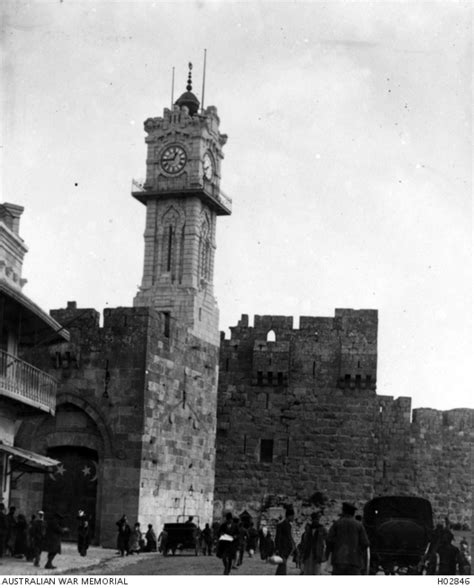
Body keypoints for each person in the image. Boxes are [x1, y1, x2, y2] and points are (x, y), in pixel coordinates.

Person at [326, 502, 369, 575]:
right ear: (353, 513)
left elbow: (329, 540)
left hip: (338, 561)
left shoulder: (337, 524)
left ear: (344, 511)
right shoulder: (359, 525)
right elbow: (365, 543)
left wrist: (333, 551)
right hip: (354, 562)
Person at [274, 507, 296, 575]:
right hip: (283, 548)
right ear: (289, 516)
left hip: (284, 548)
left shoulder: (284, 525)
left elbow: (288, 537)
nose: (293, 518)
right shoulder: (284, 525)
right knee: (282, 565)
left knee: (282, 565)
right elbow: (280, 537)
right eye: (292, 516)